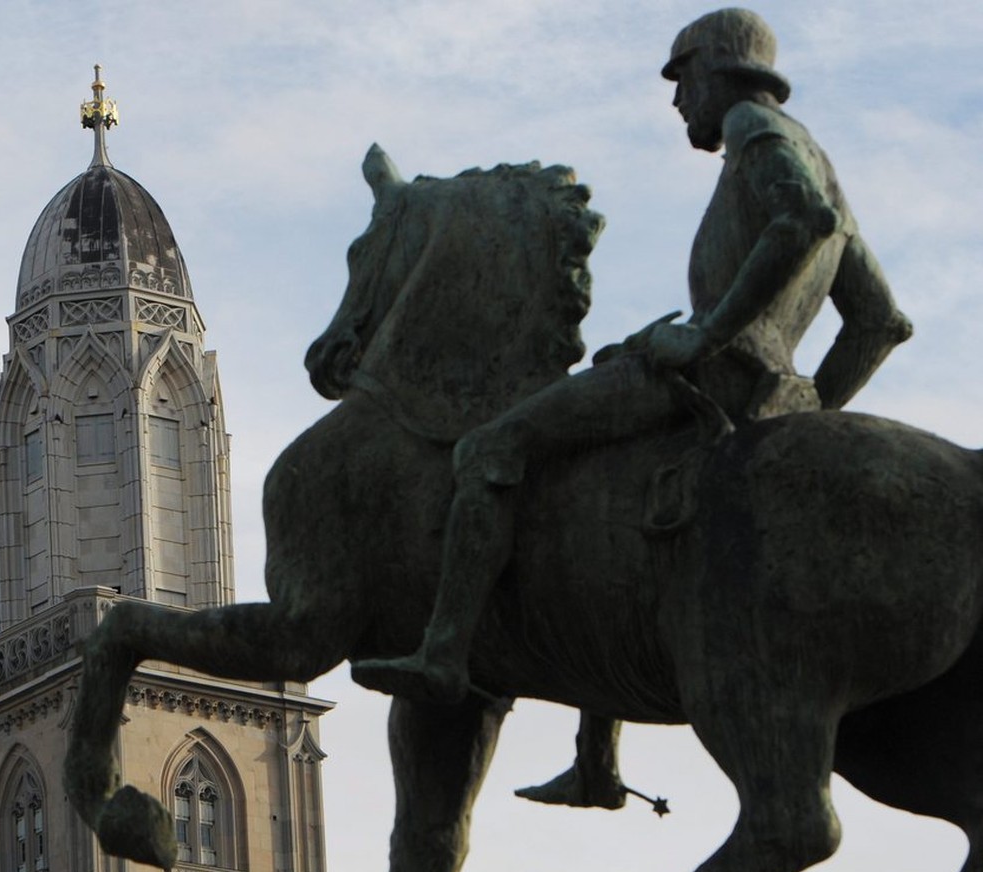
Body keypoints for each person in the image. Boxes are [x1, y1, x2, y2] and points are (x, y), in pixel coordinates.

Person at [353, 7, 912, 808]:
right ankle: (594, 761)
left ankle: (443, 652)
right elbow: (880, 322)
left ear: (719, 72)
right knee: (601, 498)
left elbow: (801, 220)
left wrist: (710, 334)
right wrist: (810, 408)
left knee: (490, 448)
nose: (678, 100)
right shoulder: (826, 168)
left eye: (683, 80)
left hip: (709, 373)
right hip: (765, 389)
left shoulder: (754, 127)